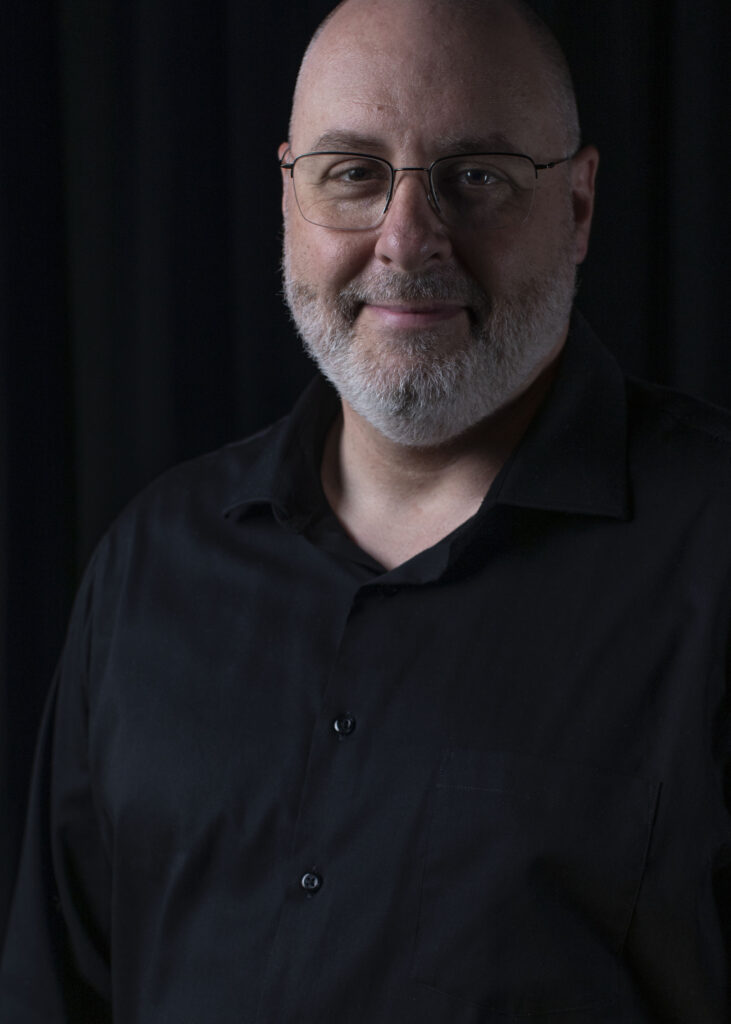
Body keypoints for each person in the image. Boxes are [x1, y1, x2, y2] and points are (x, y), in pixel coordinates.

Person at [1, 0, 730, 1020]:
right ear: (290, 197)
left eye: (472, 177)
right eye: (352, 174)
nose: (404, 240)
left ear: (576, 206)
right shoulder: (148, 565)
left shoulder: (710, 550)